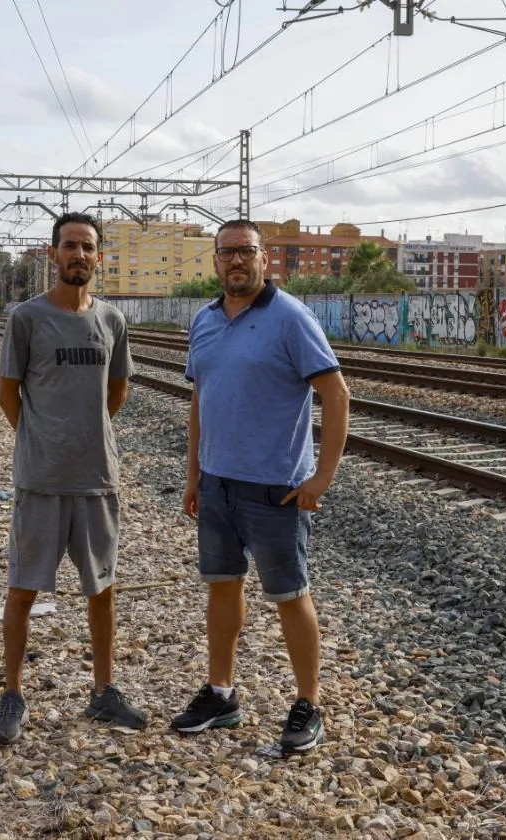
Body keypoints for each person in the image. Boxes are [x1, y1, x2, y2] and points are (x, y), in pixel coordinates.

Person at [170, 219, 351, 754]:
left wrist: (322, 477)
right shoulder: (203, 321)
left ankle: (308, 704)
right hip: (218, 485)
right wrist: (194, 475)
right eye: (226, 253)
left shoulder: (292, 318)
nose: (236, 262)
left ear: (264, 259)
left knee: (291, 595)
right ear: (215, 260)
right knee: (221, 586)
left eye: (246, 252)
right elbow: (200, 400)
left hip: (276, 488)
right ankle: (222, 694)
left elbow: (337, 396)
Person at [0, 211, 146, 744]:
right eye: (70, 245)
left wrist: (83, 434)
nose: (79, 254)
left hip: (97, 477)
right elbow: (9, 394)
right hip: (40, 478)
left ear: (99, 257)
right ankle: (12, 695)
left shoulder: (112, 322)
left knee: (102, 590)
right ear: (53, 254)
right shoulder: (27, 319)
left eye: (88, 247)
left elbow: (116, 394)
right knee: (22, 588)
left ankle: (103, 691)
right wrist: (44, 438)